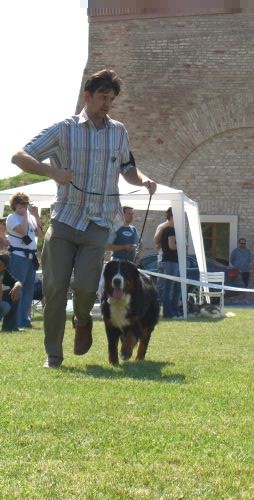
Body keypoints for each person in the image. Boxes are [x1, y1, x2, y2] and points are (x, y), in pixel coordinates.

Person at [11, 69, 157, 368]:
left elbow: (128, 168)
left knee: (88, 288)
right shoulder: (64, 129)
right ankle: (54, 354)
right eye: (102, 97)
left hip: (99, 222)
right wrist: (53, 172)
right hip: (64, 220)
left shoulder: (119, 131)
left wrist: (142, 180)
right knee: (54, 289)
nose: (107, 104)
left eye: (111, 99)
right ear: (87, 96)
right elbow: (19, 156)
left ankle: (82, 321)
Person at [6, 193, 44, 328]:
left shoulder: (29, 217)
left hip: (30, 258)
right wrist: (26, 215)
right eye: (22, 203)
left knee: (28, 289)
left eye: (26, 203)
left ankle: (24, 319)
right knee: (17, 289)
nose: (24, 206)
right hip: (18, 256)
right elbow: (22, 231)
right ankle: (14, 320)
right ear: (15, 205)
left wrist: (36, 215)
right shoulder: (12, 217)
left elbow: (40, 234)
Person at [160, 210, 181, 319]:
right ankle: (168, 313)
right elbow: (172, 246)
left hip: (173, 262)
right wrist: (182, 245)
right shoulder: (170, 230)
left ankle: (175, 311)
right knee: (169, 288)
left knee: (177, 288)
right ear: (171, 218)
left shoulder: (171, 230)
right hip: (170, 262)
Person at [0, 253, 23, 332]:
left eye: (0, 266)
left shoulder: (3, 273)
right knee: (4, 306)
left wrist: (17, 286)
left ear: (5, 267)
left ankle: (8, 327)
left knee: (16, 293)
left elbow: (17, 282)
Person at [153, 207, 172, 300]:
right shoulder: (163, 226)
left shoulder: (176, 226)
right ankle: (158, 303)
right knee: (161, 285)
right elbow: (156, 242)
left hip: (173, 260)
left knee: (170, 285)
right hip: (163, 259)